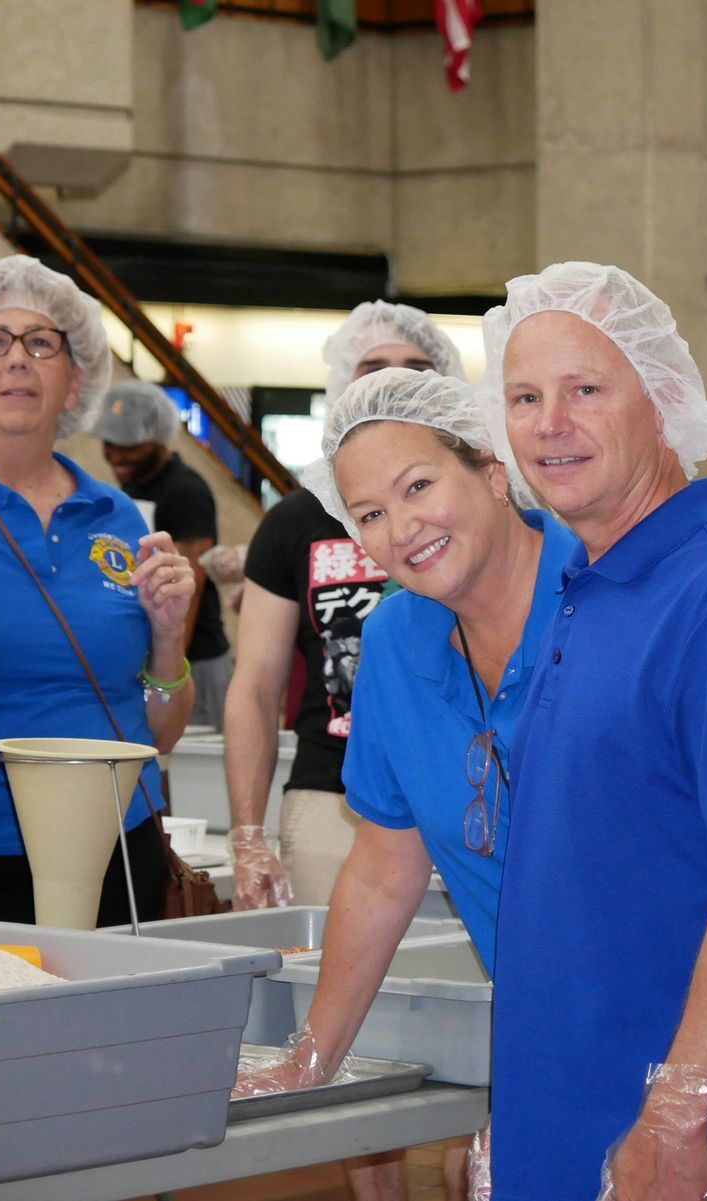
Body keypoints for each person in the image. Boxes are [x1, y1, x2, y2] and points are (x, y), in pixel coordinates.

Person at [239, 367, 707, 1201]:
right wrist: (315, 1052)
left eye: (419, 485)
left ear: (490, 469)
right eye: (369, 513)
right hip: (583, 1048)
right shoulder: (397, 645)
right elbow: (384, 865)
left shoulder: (627, 577)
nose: (402, 528)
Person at [481, 262, 707, 1200]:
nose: (549, 423)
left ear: (666, 399)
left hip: (674, 1134)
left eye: (585, 389)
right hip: (568, 1097)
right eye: (524, 396)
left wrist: (678, 1115)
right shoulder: (583, 582)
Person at [0, 255, 197, 925]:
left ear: (74, 383)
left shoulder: (117, 514)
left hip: (114, 844)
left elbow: (158, 733)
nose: (18, 359)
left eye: (42, 342)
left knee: (106, 1029)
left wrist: (168, 639)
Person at [225, 299, 468, 911]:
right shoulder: (295, 522)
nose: (395, 381)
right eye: (373, 368)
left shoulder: (484, 503)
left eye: (416, 367)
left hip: (469, 787)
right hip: (332, 797)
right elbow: (254, 686)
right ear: (344, 387)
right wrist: (247, 833)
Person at [93, 380, 233, 730]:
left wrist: (169, 671)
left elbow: (191, 588)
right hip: (153, 660)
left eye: (130, 446)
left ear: (157, 439)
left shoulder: (185, 491)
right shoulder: (130, 487)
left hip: (194, 661)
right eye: (110, 444)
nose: (116, 455)